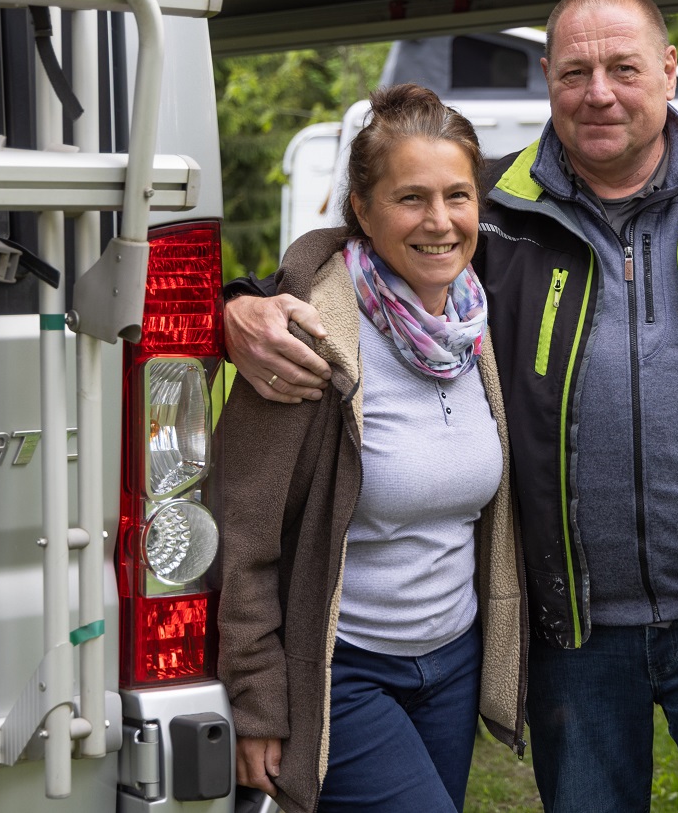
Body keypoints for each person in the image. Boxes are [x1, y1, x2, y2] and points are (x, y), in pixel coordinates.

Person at [224, 0, 678, 813]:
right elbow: (365, 243)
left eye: (623, 68)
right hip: (576, 632)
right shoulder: (495, 210)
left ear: (669, 72)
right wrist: (239, 303)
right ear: (547, 80)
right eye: (576, 71)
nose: (599, 91)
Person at [217, 84, 526, 813]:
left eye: (458, 195)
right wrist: (257, 699)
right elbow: (243, 527)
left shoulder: (477, 319)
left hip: (452, 663)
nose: (440, 221)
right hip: (342, 672)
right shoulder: (311, 332)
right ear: (361, 207)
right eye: (410, 197)